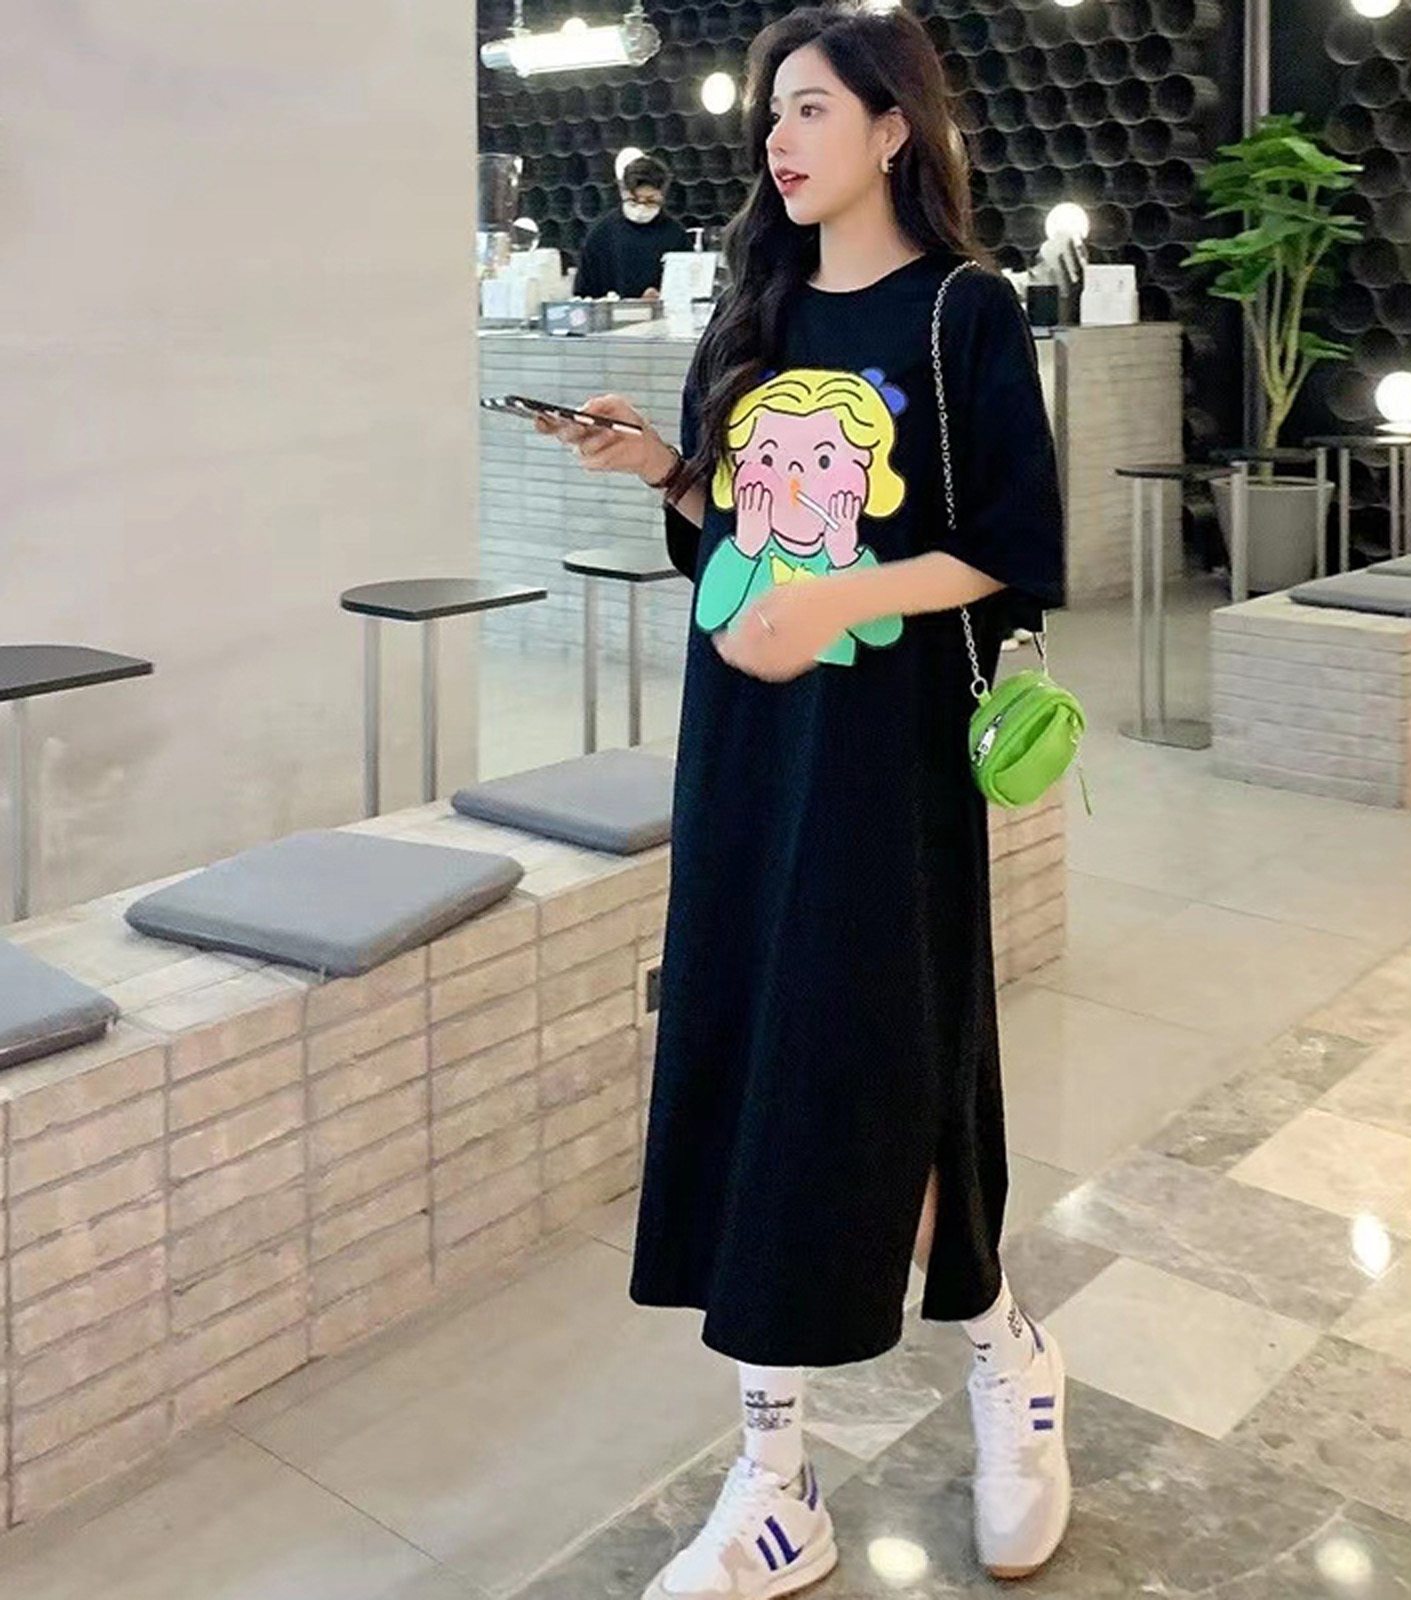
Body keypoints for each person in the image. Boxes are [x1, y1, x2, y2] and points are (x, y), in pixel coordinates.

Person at [535, 5, 1069, 1594]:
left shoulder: (963, 312)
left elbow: (1014, 546)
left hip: (885, 761)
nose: (781, 137)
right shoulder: (751, 309)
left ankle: (1006, 1358)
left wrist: (843, 601)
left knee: (891, 1066)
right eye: (773, 111)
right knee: (749, 1059)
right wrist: (666, 473)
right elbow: (743, 533)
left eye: (815, 108)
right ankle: (775, 1478)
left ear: (896, 128)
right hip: (746, 751)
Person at [572, 154, 691, 300]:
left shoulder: (675, 235)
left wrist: (662, 296)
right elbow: (583, 294)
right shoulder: (601, 234)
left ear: (663, 196)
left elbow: (688, 289)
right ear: (622, 192)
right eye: (633, 200)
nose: (641, 207)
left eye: (650, 201)